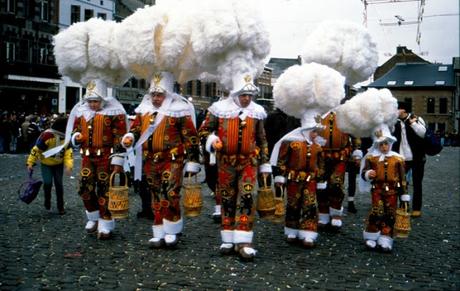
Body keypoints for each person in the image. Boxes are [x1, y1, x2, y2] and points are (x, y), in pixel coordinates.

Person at [121, 72, 200, 248]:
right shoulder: (144, 112)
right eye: (153, 95)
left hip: (172, 159)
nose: (156, 98)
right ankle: (159, 228)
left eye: (160, 95)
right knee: (155, 194)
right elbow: (135, 130)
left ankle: (171, 228)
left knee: (170, 193)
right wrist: (129, 138)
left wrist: (193, 161)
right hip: (150, 160)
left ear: (167, 95)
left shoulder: (178, 112)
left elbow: (191, 138)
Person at [199, 75, 271, 261]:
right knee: (227, 197)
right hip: (226, 162)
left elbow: (262, 140)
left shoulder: (257, 112)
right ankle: (228, 236)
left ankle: (244, 239)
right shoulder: (218, 110)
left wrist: (265, 164)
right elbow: (204, 131)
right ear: (235, 94)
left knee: (248, 196)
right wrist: (212, 140)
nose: (246, 98)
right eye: (243, 94)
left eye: (249, 95)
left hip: (248, 162)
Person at [44, 80, 128, 239]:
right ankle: (93, 215)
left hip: (106, 157)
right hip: (87, 157)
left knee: (104, 189)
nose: (92, 105)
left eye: (96, 101)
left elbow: (120, 137)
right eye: (90, 101)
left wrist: (118, 159)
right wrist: (76, 136)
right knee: (84, 187)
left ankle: (106, 221)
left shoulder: (114, 113)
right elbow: (75, 129)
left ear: (102, 101)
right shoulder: (82, 113)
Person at [271, 120, 326, 248]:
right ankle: (292, 229)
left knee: (310, 204)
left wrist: (321, 178)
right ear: (306, 131)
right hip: (294, 179)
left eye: (317, 132)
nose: (315, 135)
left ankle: (308, 231)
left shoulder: (317, 147)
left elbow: (321, 164)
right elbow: (282, 160)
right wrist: (280, 176)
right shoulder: (291, 143)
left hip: (310, 180)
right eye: (313, 132)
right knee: (293, 204)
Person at [361, 125, 410, 252]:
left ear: (390, 144)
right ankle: (372, 235)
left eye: (386, 144)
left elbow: (402, 178)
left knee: (390, 214)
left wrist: (404, 195)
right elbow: (364, 172)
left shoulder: (397, 159)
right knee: (376, 212)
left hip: (393, 191)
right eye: (381, 144)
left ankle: (385, 237)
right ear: (378, 145)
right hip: (377, 189)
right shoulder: (372, 158)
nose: (384, 147)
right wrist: (368, 174)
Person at [317, 111, 361, 230]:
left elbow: (354, 133)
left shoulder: (345, 114)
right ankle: (323, 213)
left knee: (336, 184)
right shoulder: (318, 113)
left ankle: (336, 213)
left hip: (340, 155)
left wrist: (357, 152)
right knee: (321, 186)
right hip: (320, 156)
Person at [26, 117, 73, 214]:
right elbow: (36, 149)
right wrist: (30, 162)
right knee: (47, 183)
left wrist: (69, 165)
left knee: (59, 184)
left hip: (58, 164)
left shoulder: (67, 137)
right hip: (46, 164)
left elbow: (68, 153)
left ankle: (61, 206)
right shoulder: (48, 136)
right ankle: (47, 200)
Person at [392, 101, 426, 217]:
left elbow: (423, 133)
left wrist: (413, 124)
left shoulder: (416, 119)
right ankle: (403, 205)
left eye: (397, 109)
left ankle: (417, 208)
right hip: (401, 158)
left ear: (403, 110)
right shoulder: (394, 122)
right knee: (400, 183)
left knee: (417, 183)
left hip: (417, 157)